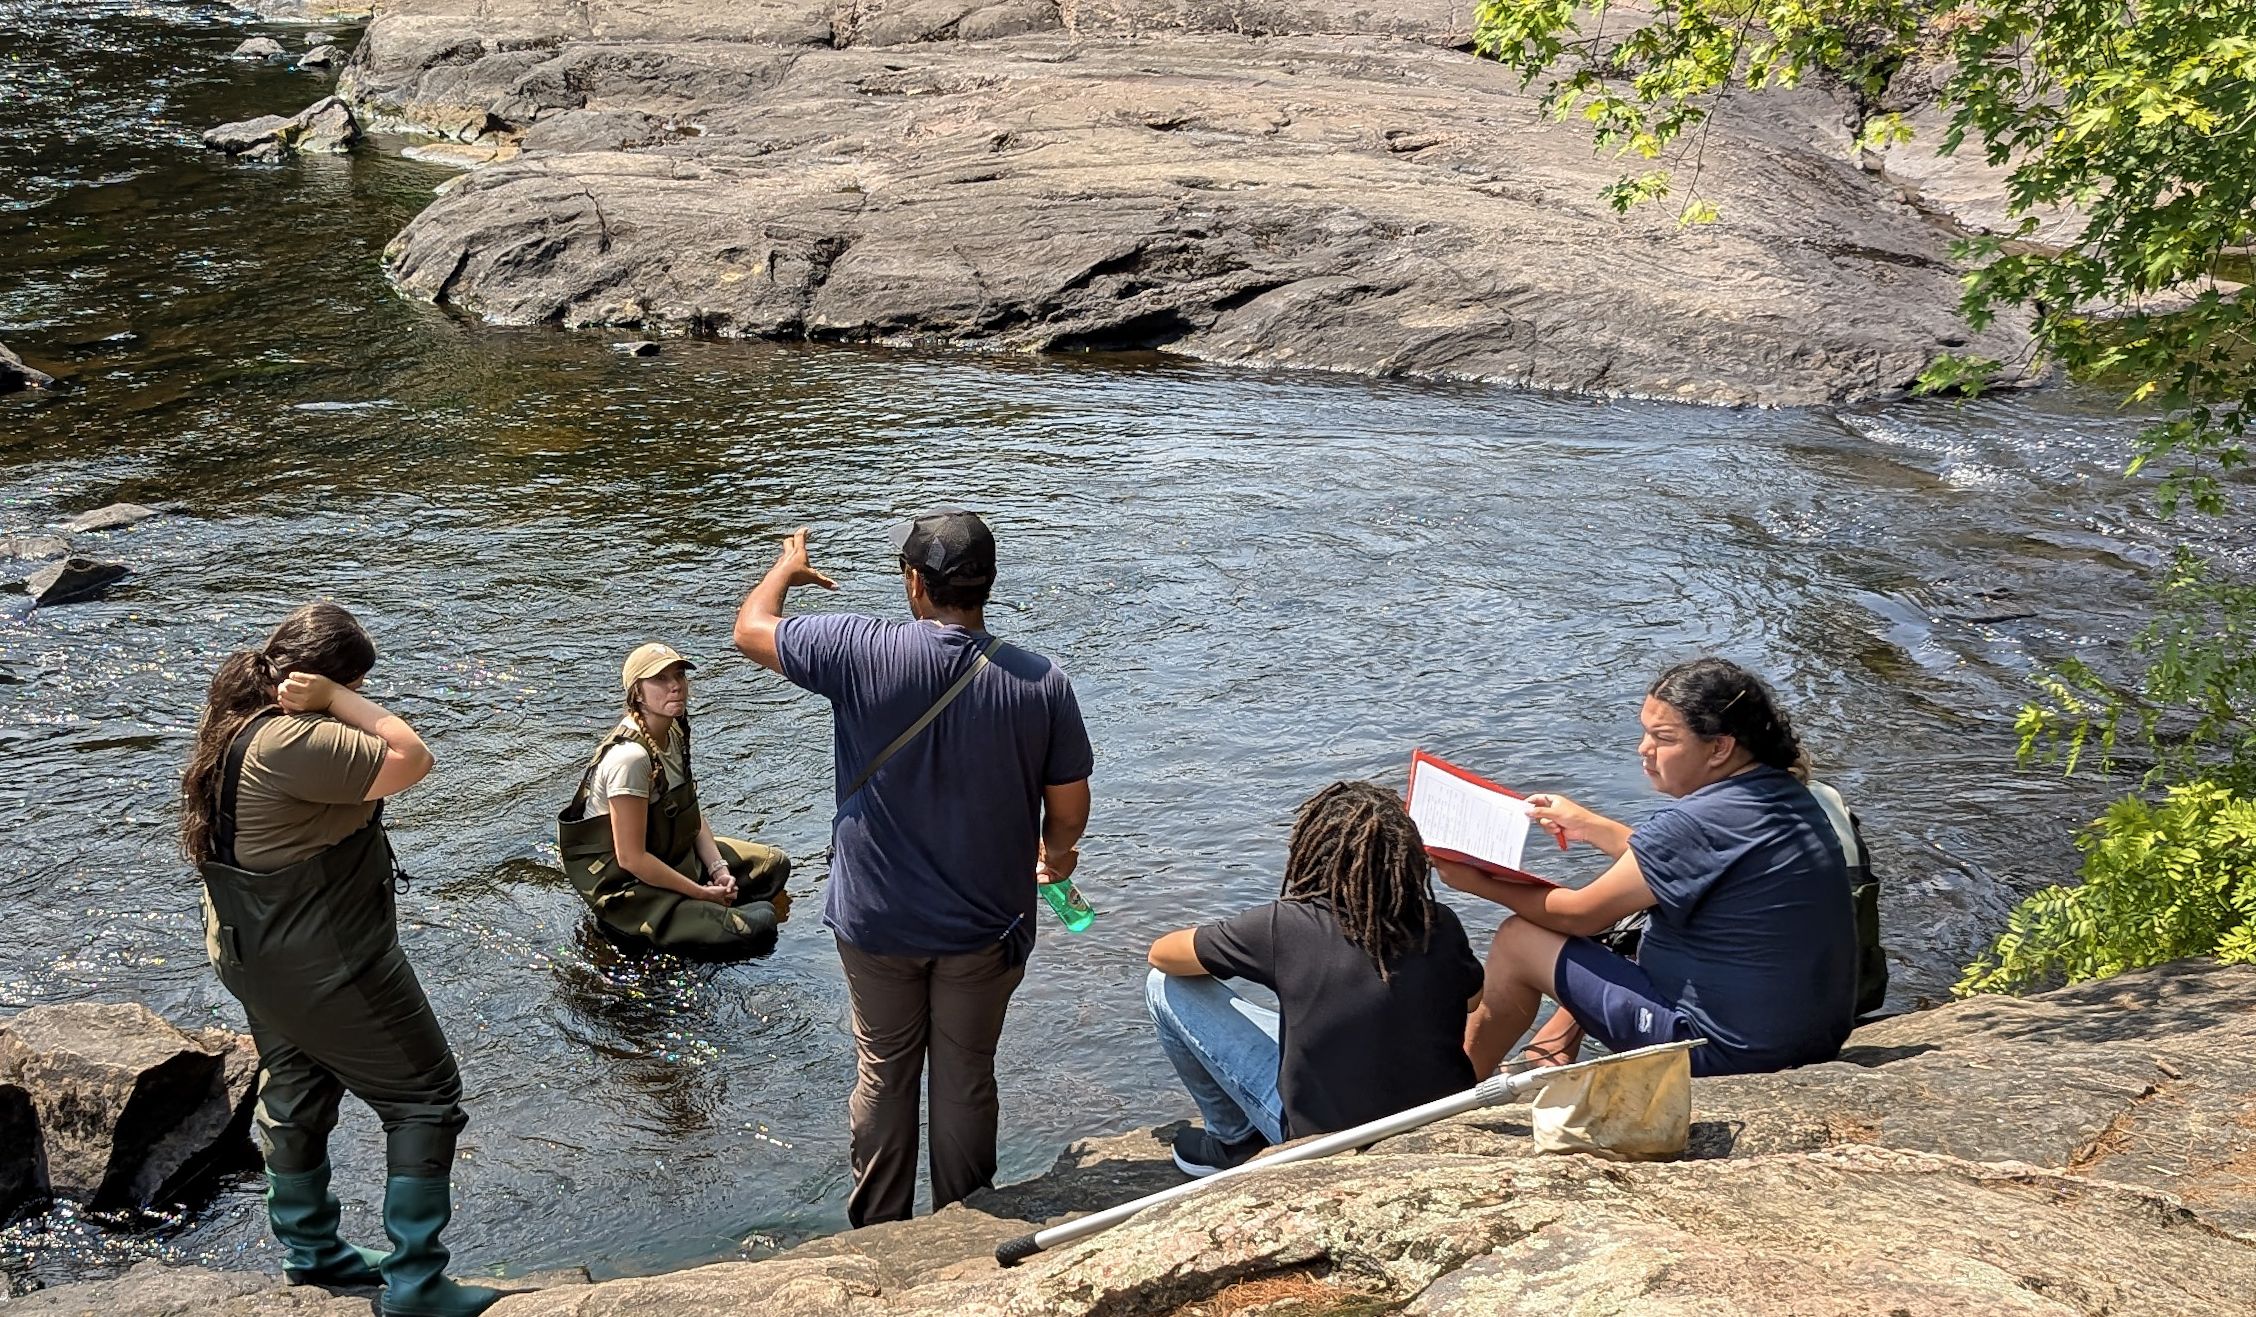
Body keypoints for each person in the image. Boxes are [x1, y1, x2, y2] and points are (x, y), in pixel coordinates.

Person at [734, 511, 1093, 1226]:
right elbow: (1070, 806)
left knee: (883, 1071)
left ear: (912, 582)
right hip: (984, 924)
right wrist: (1056, 855)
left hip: (876, 920)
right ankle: (965, 1228)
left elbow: (750, 627)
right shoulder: (1041, 682)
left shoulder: (856, 648)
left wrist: (787, 567)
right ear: (987, 582)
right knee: (965, 1074)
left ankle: (878, 1232)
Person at [180, 601, 500, 1317]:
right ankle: (417, 1278)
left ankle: (312, 1251)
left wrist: (329, 693)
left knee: (296, 1087)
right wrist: (343, 701)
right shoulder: (295, 739)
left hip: (251, 951)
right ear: (324, 681)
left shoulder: (235, 726)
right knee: (425, 1098)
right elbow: (412, 758)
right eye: (351, 680)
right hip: (325, 957)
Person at [1438, 656, 1859, 1078]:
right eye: (1645, 732)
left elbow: (1580, 914)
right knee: (1629, 932)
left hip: (1718, 1052)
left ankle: (1447, 1089)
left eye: (1663, 737)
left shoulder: (1696, 821)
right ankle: (1549, 1050)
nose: (1644, 749)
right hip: (1810, 1038)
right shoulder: (1785, 792)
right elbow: (1681, 862)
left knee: (1520, 939)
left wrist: (1478, 883)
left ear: (1719, 747)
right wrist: (1591, 826)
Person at [1145, 779, 1489, 1176]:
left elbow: (1162, 953)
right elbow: (1471, 1001)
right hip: (1435, 1122)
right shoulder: (1439, 921)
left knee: (1163, 986)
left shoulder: (1285, 926)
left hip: (1326, 1143)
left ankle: (1233, 1140)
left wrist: (1235, 942)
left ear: (1311, 851)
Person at [558, 641, 796, 954]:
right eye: (660, 679)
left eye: (680, 676)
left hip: (671, 854)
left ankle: (708, 911)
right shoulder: (629, 759)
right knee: (762, 923)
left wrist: (719, 870)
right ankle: (682, 916)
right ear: (637, 693)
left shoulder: (673, 731)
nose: (675, 686)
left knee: (774, 865)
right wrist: (700, 893)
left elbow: (691, 816)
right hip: (631, 889)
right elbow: (631, 859)